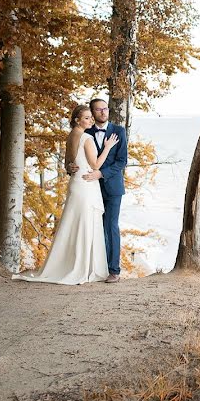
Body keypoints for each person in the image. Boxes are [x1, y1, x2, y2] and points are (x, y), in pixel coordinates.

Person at [13, 104, 118, 284]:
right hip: (86, 184)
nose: (91, 120)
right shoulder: (86, 138)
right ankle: (82, 267)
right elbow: (95, 165)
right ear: (77, 120)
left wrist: (69, 167)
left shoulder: (71, 136)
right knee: (84, 226)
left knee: (73, 225)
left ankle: (71, 265)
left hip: (76, 183)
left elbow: (69, 162)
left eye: (90, 117)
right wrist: (107, 147)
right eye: (87, 118)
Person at [67, 98, 128, 283]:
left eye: (105, 109)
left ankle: (113, 270)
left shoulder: (119, 131)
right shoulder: (85, 131)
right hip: (89, 188)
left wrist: (101, 173)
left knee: (111, 226)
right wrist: (69, 167)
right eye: (98, 110)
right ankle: (92, 268)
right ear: (92, 113)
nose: (103, 112)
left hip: (112, 187)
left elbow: (121, 161)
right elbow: (73, 156)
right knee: (93, 228)